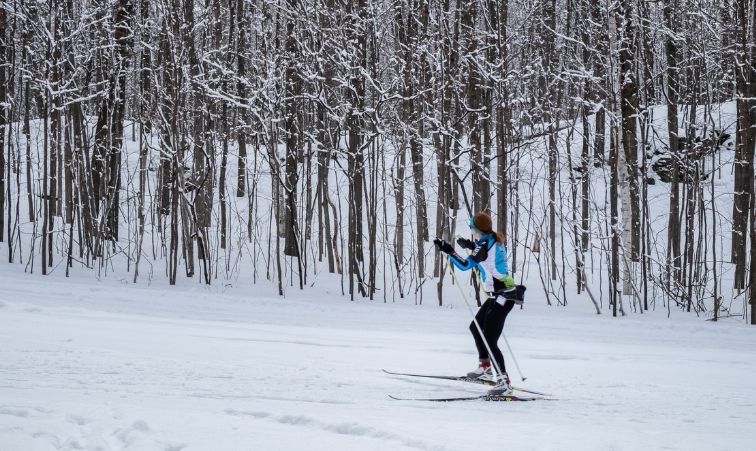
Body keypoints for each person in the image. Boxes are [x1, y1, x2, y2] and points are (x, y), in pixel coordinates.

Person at [433, 212, 520, 395]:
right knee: (476, 328)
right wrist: (469, 245)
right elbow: (485, 255)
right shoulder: (489, 240)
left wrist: (448, 250)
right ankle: (486, 369)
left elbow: (465, 265)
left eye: (472, 227)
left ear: (478, 229)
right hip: (497, 295)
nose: (471, 230)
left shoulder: (484, 244)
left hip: (503, 296)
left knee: (490, 339)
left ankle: (503, 382)